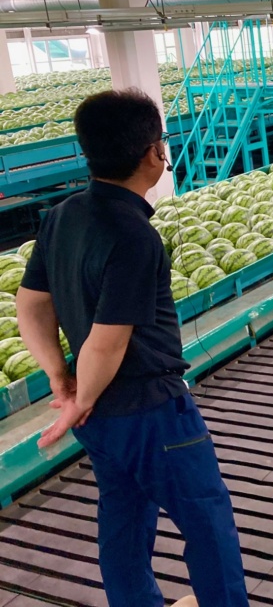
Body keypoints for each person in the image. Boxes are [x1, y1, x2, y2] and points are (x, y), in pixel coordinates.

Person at [17, 90, 250, 607]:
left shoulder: (62, 216)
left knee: (123, 520)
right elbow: (108, 341)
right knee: (207, 522)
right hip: (152, 412)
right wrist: (79, 398)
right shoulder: (134, 235)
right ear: (154, 153)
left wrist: (60, 377)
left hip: (102, 418)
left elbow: (30, 305)